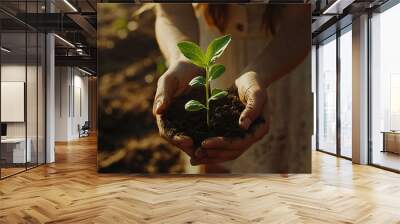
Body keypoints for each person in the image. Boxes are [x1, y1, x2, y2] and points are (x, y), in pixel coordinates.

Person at [152, 3, 312, 173]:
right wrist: (183, 58)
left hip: (281, 60)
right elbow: (171, 10)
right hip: (210, 50)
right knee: (211, 164)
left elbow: (304, 20)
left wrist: (259, 75)